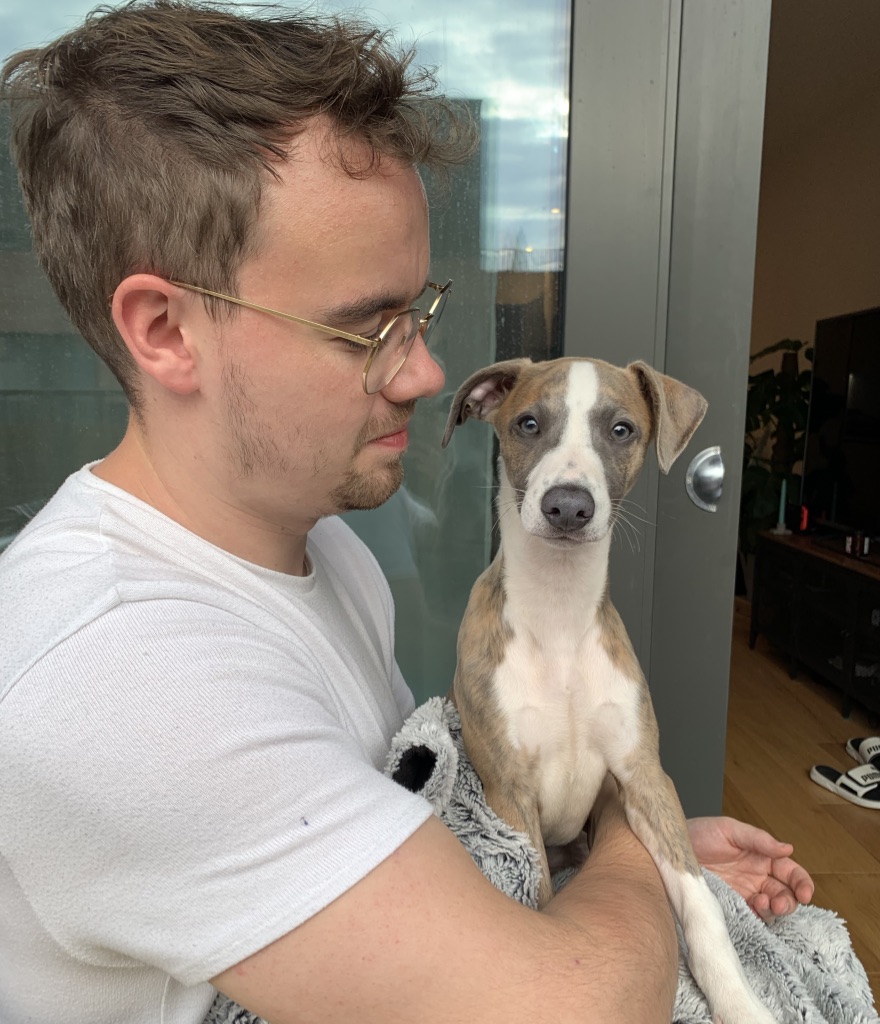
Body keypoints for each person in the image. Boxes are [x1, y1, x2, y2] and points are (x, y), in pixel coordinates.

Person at [0, 4, 814, 1023]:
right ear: (166, 331)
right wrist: (629, 841)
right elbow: (573, 1008)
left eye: (418, 313)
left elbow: (420, 823)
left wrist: (636, 847)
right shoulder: (118, 676)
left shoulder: (323, 547)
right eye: (364, 329)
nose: (426, 371)